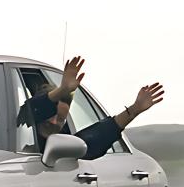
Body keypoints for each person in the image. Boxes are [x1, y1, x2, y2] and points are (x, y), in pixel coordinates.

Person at [18, 56, 165, 160]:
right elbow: (29, 111)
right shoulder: (18, 127)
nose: (54, 122)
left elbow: (95, 138)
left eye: (61, 119)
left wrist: (133, 110)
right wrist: (62, 90)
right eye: (50, 114)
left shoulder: (67, 145)